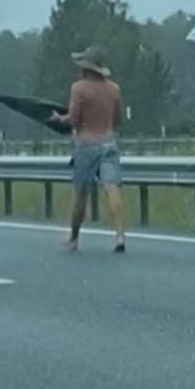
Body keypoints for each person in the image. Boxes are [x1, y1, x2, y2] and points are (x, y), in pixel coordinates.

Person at [53, 45, 126, 253]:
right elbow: (118, 118)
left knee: (81, 193)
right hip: (109, 142)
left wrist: (59, 118)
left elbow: (74, 119)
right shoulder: (114, 89)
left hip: (86, 144)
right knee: (112, 188)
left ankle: (74, 238)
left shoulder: (79, 88)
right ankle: (120, 236)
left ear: (86, 67)